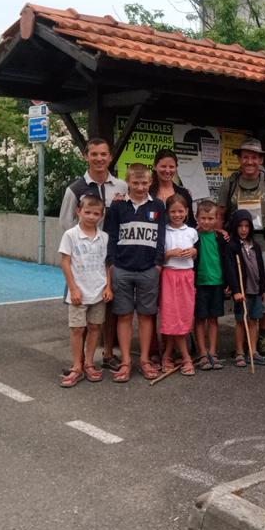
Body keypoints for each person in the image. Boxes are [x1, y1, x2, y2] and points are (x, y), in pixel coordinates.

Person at [58, 137, 127, 369]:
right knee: (81, 307)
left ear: (110, 157)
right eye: (94, 154)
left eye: (103, 154)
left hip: (112, 256)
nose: (99, 158)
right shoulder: (75, 189)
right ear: (86, 156)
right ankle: (82, 362)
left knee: (107, 304)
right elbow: (66, 223)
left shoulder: (121, 187)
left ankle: (107, 355)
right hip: (84, 260)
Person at [216, 138, 265, 355]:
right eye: (245, 157)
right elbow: (220, 213)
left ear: (260, 159)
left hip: (262, 243)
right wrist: (221, 235)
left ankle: (260, 338)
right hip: (237, 246)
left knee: (263, 291)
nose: (249, 161)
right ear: (239, 159)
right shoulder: (231, 182)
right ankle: (242, 338)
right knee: (241, 289)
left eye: (254, 157)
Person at [106, 163, 167, 382]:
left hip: (148, 269)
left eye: (144, 183)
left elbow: (161, 238)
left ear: (151, 182)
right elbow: (111, 236)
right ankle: (125, 361)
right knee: (123, 315)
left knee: (145, 315)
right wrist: (111, 264)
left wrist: (158, 263)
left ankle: (144, 359)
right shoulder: (118, 206)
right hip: (122, 268)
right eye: (135, 183)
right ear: (127, 182)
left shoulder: (158, 205)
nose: (140, 187)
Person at [58, 194, 112, 387]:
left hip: (98, 291)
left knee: (95, 327)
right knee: (77, 329)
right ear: (78, 211)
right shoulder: (70, 235)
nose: (91, 216)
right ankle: (77, 366)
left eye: (96, 213)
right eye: (87, 212)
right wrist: (73, 289)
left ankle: (89, 362)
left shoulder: (104, 237)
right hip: (78, 293)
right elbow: (65, 262)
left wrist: (108, 286)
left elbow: (108, 264)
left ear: (102, 215)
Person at [225, 209, 265, 368]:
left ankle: (253, 351)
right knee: (240, 321)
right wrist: (236, 290)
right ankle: (239, 352)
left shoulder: (255, 246)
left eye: (246, 226)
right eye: (240, 226)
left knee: (253, 320)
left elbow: (261, 268)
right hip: (242, 291)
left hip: (256, 289)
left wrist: (263, 288)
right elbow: (231, 270)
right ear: (235, 227)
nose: (243, 229)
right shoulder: (232, 246)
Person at [159, 194, 198, 376]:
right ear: (167, 212)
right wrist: (170, 253)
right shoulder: (164, 231)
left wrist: (193, 251)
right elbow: (159, 255)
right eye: (173, 211)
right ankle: (185, 357)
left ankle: (167, 355)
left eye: (180, 211)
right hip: (169, 275)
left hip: (187, 277)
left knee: (184, 315)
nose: (177, 215)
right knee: (171, 315)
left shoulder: (191, 231)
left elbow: (196, 253)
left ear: (187, 212)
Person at [193, 200, 228, 371]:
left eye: (210, 218)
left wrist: (229, 283)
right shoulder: (192, 237)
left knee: (213, 318)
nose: (207, 222)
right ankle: (202, 352)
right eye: (203, 218)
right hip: (199, 283)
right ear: (196, 217)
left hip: (217, 283)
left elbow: (227, 261)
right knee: (200, 318)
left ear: (216, 219)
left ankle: (213, 352)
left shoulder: (221, 238)